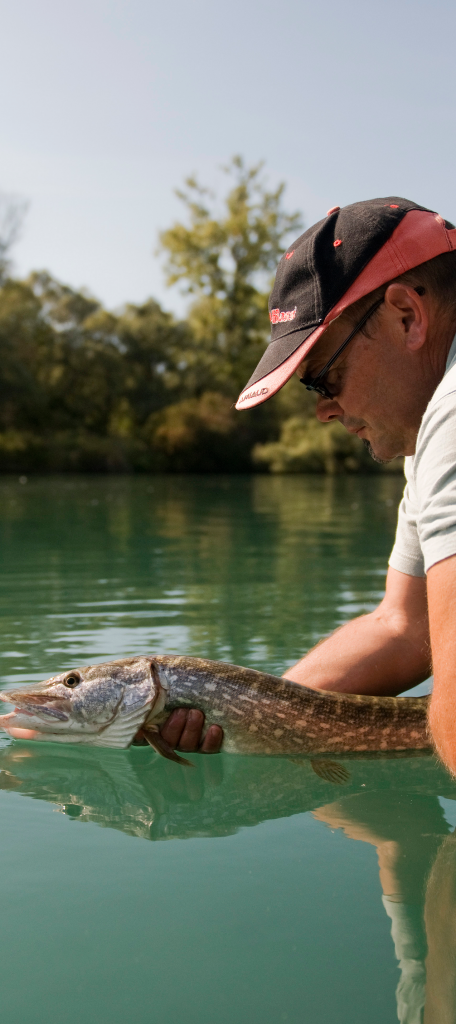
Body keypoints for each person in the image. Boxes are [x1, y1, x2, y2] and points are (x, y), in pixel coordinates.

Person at [170, 197, 456, 773]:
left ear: (407, 316)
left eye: (326, 377)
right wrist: (245, 712)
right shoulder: (426, 426)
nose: (324, 411)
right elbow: (403, 626)